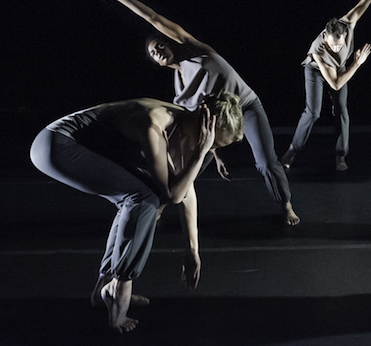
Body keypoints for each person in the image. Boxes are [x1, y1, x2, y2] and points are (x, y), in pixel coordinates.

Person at [87, 0, 300, 226]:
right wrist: (217, 154)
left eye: (159, 44)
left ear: (170, 43)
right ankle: (161, 204)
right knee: (188, 164)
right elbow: (204, 124)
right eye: (152, 53)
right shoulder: (180, 92)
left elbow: (153, 18)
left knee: (265, 161)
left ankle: (286, 205)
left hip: (246, 106)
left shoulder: (197, 51)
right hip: (218, 119)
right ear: (156, 62)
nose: (156, 50)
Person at [30, 93, 244, 333]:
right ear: (204, 124)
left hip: (74, 143)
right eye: (212, 142)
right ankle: (118, 288)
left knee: (140, 199)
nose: (210, 148)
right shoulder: (155, 123)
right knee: (144, 198)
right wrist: (201, 151)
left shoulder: (185, 125)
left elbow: (186, 189)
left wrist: (192, 250)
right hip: (56, 144)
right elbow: (172, 195)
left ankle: (105, 286)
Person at [280, 0, 371, 172]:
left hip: (341, 68)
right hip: (317, 70)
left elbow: (365, 1)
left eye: (339, 44)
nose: (336, 48)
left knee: (342, 110)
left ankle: (340, 155)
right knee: (313, 112)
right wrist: (357, 63)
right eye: (333, 45)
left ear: (345, 33)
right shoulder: (318, 48)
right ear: (326, 36)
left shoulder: (348, 22)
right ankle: (292, 150)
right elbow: (334, 84)